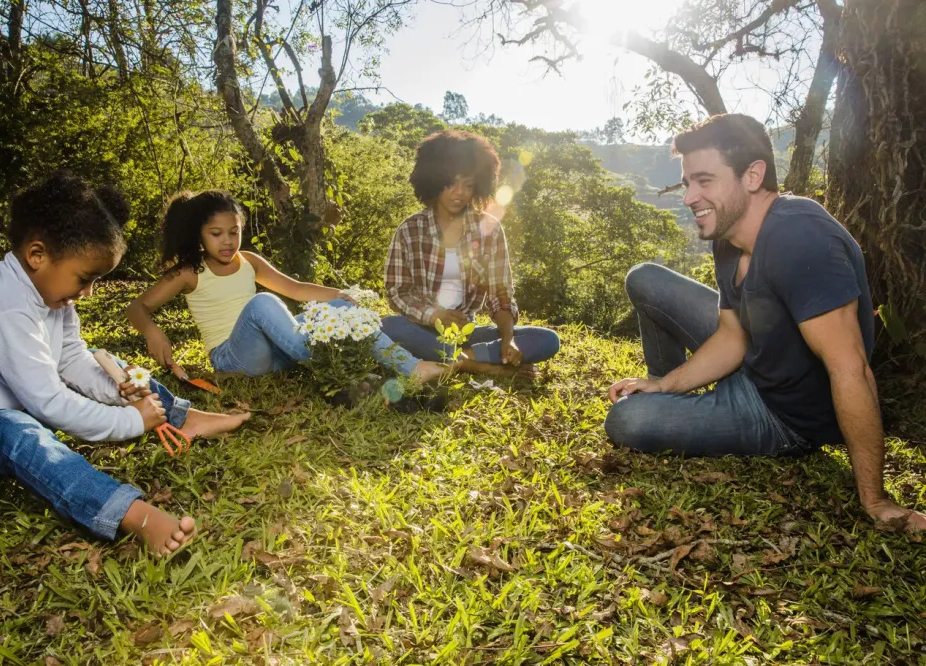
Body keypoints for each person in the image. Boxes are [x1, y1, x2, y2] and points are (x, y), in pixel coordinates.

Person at [604, 113, 926, 533]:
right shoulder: (728, 235)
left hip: (780, 415)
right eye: (687, 184)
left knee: (626, 420)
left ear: (753, 176)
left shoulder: (801, 238)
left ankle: (675, 413)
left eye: (705, 181)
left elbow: (851, 369)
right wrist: (665, 385)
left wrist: (876, 499)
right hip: (755, 357)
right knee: (645, 278)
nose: (689, 198)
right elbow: (732, 335)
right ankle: (666, 394)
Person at [0, 173, 250, 556]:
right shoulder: (3, 306)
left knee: (111, 365)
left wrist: (118, 388)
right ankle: (129, 513)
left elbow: (73, 360)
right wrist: (131, 421)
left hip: (12, 406)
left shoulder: (51, 295)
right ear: (37, 255)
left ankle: (182, 417)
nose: (88, 292)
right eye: (84, 278)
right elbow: (48, 402)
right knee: (9, 428)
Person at [127, 191, 449, 383]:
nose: (227, 241)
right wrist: (153, 332)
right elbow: (137, 307)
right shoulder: (189, 271)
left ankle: (412, 367)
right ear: (199, 234)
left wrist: (339, 296)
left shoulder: (249, 260)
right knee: (262, 302)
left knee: (340, 308)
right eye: (216, 234)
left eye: (234, 232)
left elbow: (295, 288)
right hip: (233, 358)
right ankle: (337, 366)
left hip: (278, 356)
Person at [382, 130, 560, 377]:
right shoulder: (409, 230)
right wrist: (435, 316)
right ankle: (477, 365)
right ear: (434, 181)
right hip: (421, 329)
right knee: (387, 327)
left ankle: (453, 358)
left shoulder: (490, 229)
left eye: (468, 185)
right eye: (450, 183)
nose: (459, 193)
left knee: (547, 340)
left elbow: (500, 294)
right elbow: (397, 291)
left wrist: (508, 340)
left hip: (467, 333)